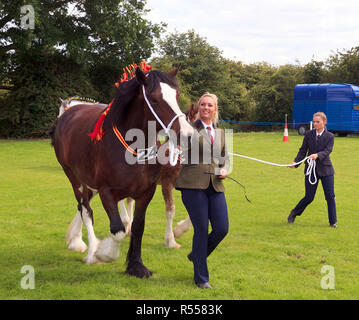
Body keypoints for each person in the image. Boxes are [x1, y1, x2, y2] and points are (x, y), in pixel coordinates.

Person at [175, 92, 230, 289]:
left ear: (215, 110)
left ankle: (196, 255)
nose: (206, 108)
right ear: (198, 108)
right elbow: (168, 138)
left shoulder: (221, 133)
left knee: (222, 228)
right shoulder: (188, 129)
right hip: (192, 186)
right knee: (201, 230)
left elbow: (225, 159)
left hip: (215, 185)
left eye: (210, 105)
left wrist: (225, 169)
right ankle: (201, 278)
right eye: (203, 104)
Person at [288, 112, 337, 228]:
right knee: (309, 197)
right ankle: (294, 212)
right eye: (314, 121)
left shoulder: (330, 136)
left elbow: (327, 151)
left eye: (318, 122)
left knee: (330, 196)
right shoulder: (308, 134)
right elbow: (302, 150)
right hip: (311, 170)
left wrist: (317, 155)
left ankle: (333, 222)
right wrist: (296, 163)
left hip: (326, 170)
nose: (315, 124)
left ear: (324, 122)